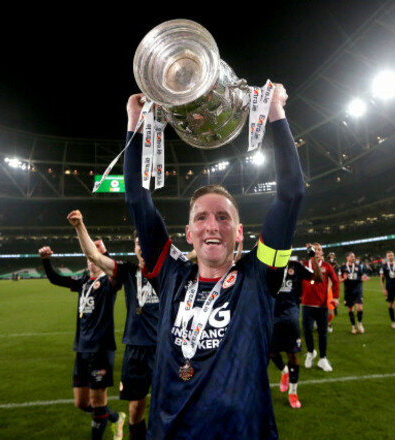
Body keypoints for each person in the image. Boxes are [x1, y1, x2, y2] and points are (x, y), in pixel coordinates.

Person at [124, 83, 304, 439]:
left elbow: (291, 193)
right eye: (201, 218)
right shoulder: (170, 273)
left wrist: (275, 114)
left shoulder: (259, 274)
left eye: (223, 218)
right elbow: (137, 199)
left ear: (239, 233)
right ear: (188, 233)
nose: (212, 226)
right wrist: (134, 124)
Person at [67, 210, 158, 440]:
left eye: (147, 241)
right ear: (135, 247)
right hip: (135, 350)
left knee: (170, 407)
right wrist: (80, 226)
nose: (143, 246)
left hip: (165, 349)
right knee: (135, 410)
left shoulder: (170, 269)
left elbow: (198, 255)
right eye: (139, 243)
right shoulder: (128, 271)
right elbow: (95, 256)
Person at [39, 240, 125, 440]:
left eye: (95, 259)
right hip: (82, 349)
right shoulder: (83, 281)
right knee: (81, 403)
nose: (91, 262)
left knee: (97, 402)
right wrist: (46, 260)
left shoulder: (108, 283)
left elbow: (118, 274)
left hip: (101, 350)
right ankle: (115, 417)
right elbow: (55, 279)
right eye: (89, 258)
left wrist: (105, 253)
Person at [270, 259, 315, 409]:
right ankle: (284, 371)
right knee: (271, 353)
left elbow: (317, 278)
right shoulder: (268, 265)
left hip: (290, 317)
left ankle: (293, 392)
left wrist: (313, 258)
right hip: (272, 317)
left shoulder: (296, 266)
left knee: (293, 354)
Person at [301, 242, 338, 371]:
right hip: (307, 304)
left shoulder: (327, 266)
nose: (317, 251)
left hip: (322, 306)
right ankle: (311, 353)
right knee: (307, 331)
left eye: (319, 249)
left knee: (323, 333)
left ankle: (323, 358)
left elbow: (335, 281)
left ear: (322, 253)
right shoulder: (304, 265)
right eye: (314, 249)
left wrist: (336, 297)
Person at [338, 252, 369, 334]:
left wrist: (364, 278)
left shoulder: (358, 267)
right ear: (347, 258)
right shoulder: (343, 267)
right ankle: (353, 326)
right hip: (348, 291)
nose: (353, 258)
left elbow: (362, 276)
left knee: (359, 308)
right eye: (352, 256)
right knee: (351, 309)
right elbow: (339, 280)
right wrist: (344, 279)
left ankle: (359, 323)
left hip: (358, 290)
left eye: (354, 256)